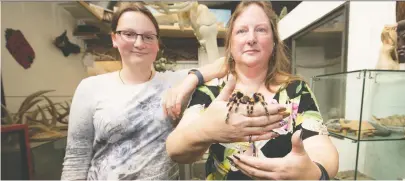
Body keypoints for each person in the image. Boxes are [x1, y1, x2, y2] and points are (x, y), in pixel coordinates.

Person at [166, 1, 339, 180]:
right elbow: (175, 149)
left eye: (261, 30)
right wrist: (204, 130)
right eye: (241, 31)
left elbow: (321, 146)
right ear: (230, 44)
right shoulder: (212, 91)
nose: (251, 39)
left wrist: (314, 171)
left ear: (273, 42)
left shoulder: (296, 91)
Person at [61, 2, 228, 180]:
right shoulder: (90, 88)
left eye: (148, 37)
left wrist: (191, 79)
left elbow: (227, 64)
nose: (139, 43)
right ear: (114, 39)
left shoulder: (175, 82)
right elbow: (75, 159)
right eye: (129, 34)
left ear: (157, 45)